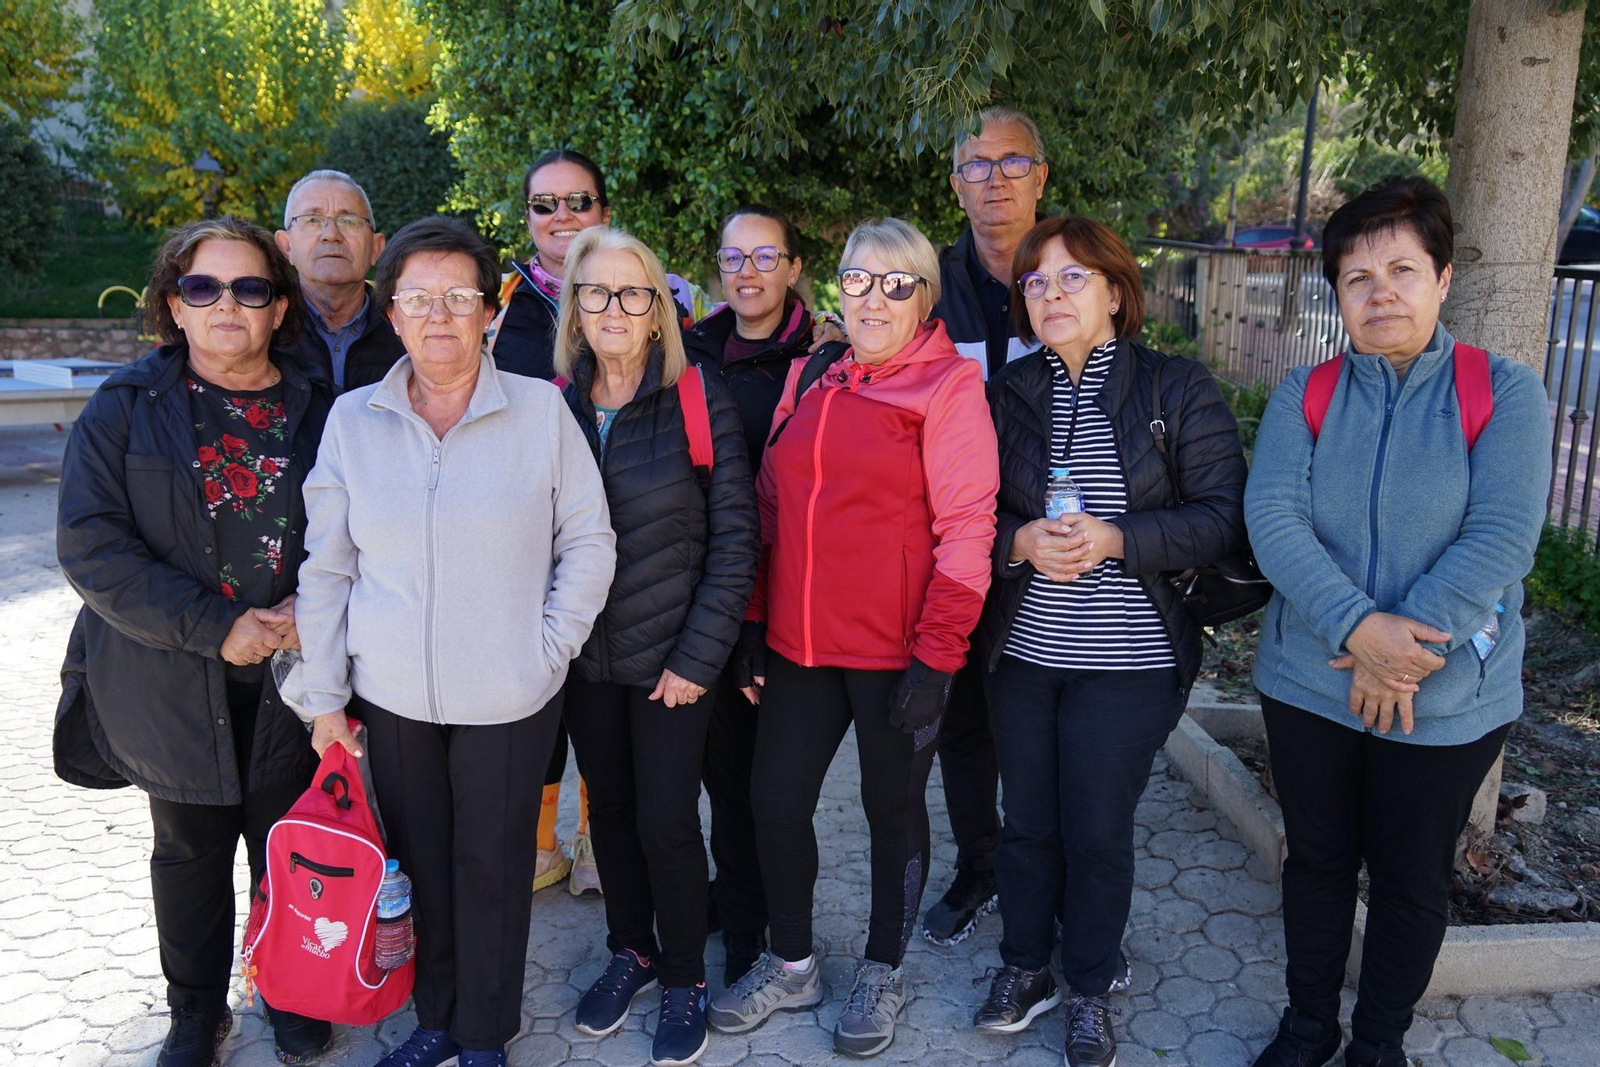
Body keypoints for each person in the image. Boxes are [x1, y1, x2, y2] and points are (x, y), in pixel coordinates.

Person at [289, 216, 617, 1067]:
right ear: (392, 314)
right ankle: (435, 1017)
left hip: (509, 695)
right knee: (421, 864)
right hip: (392, 695)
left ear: (489, 314)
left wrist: (547, 651)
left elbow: (588, 541)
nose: (440, 316)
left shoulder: (542, 412)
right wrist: (323, 693)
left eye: (459, 298)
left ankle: (483, 1032)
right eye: (419, 299)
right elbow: (326, 568)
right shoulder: (354, 421)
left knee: (494, 870)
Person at [1244, 176, 1550, 1067]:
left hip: (1447, 698)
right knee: (1318, 865)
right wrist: (1357, 631)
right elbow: (1274, 521)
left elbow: (1502, 536)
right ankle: (1307, 1028)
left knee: (1414, 882)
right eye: (1357, 277)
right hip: (1311, 683)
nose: (1381, 292)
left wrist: (1401, 651)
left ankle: (1378, 1043)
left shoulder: (1505, 392)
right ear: (1336, 293)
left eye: (1402, 269)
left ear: (1443, 277)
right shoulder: (1307, 392)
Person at [709, 218, 999, 1057]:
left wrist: (938, 659)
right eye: (858, 280)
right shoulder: (816, 370)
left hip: (896, 652)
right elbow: (769, 504)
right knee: (774, 803)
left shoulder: (945, 388)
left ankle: (883, 966)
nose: (873, 298)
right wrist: (757, 622)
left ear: (924, 296)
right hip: (800, 644)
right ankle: (792, 961)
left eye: (895, 283)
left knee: (891, 813)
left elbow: (968, 532)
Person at [55, 216, 334, 1067]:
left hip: (295, 673)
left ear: (277, 306)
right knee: (188, 854)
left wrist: (312, 603)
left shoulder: (321, 404)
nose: (226, 305)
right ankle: (195, 1013)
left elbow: (366, 525)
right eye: (203, 287)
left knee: (286, 844)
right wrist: (221, 627)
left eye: (249, 288)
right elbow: (91, 546)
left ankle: (286, 988)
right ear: (174, 304)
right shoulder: (125, 407)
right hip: (172, 675)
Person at [973, 216, 1249, 1067]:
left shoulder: (1175, 389)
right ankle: (1026, 966)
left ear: (1117, 293)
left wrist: (1117, 537)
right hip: (1022, 658)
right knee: (1026, 824)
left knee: (1094, 827)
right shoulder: (1002, 394)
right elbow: (959, 516)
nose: (1050, 294)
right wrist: (1017, 542)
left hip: (1130, 660)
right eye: (1036, 282)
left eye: (1071, 279)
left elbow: (1220, 518)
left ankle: (1090, 984)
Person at [554, 226, 759, 1067]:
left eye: (632, 293)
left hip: (674, 660)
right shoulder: (552, 402)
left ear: (657, 313)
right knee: (609, 817)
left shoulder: (695, 398)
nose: (613, 307)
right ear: (575, 306)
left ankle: (683, 976)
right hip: (581, 659)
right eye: (596, 292)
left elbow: (735, 539)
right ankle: (630, 949)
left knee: (669, 822)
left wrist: (697, 659)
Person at [921, 104, 1052, 948]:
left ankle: (1049, 870)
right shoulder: (927, 283)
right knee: (961, 724)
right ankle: (980, 865)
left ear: (1042, 177)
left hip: (1055, 551)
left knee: (1043, 725)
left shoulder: (1074, 272)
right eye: (976, 164)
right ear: (956, 182)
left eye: (1012, 162)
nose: (994, 179)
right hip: (958, 547)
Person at [681, 205, 820, 984]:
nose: (748, 270)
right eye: (734, 256)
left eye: (766, 255)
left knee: (779, 784)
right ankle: (739, 909)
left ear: (794, 268)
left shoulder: (827, 357)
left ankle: (773, 918)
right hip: (708, 598)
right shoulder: (690, 353)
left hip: (794, 602)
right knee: (725, 775)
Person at [275, 169, 405, 391]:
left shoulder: (407, 329)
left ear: (376, 248)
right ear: (286, 247)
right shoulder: (263, 329)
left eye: (349, 221)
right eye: (313, 220)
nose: (331, 234)